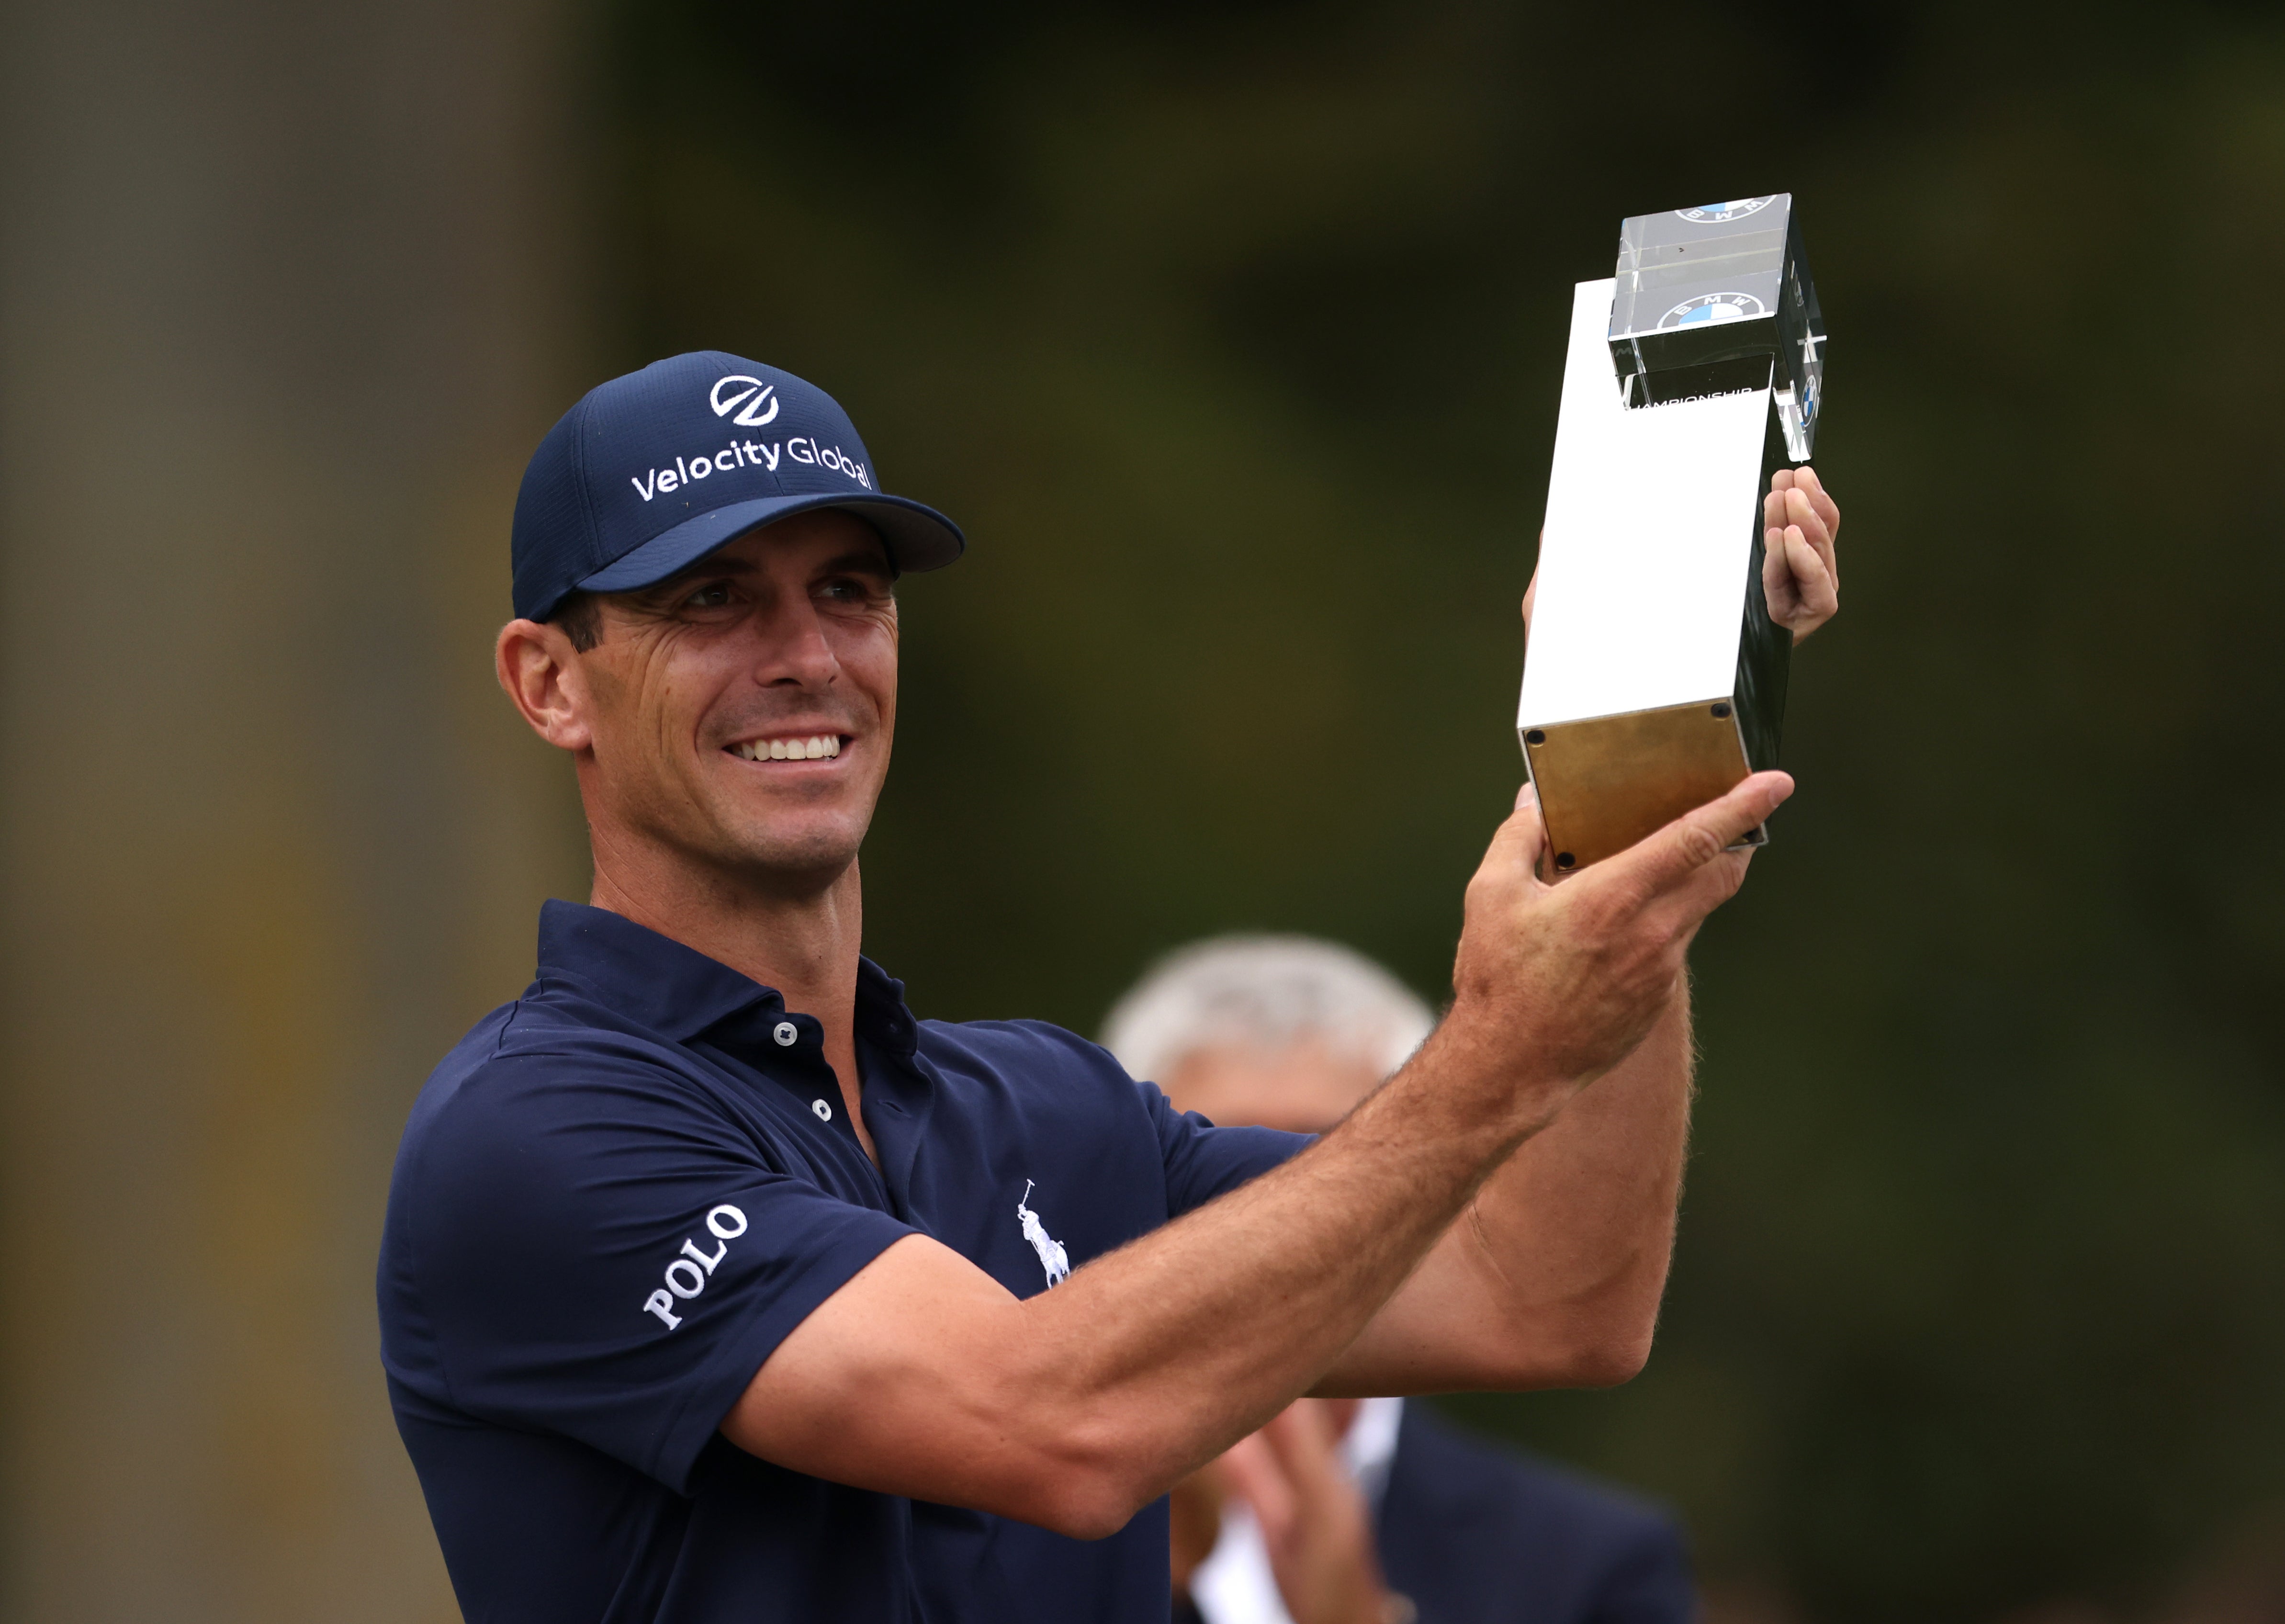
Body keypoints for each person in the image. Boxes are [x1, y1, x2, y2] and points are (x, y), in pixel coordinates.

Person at [375, 350, 1841, 1624]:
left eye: (849, 591)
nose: (809, 656)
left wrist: (1624, 743)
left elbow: (1551, 1300)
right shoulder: (534, 1132)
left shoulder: (1046, 1104)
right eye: (712, 601)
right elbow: (1053, 1424)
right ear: (548, 682)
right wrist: (1499, 1056)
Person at [1103, 936, 1697, 1624]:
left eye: (1325, 1157)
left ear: (1436, 1193)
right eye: (1209, 1161)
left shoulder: (1587, 1563)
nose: (1272, 1215)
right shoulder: (1006, 1509)